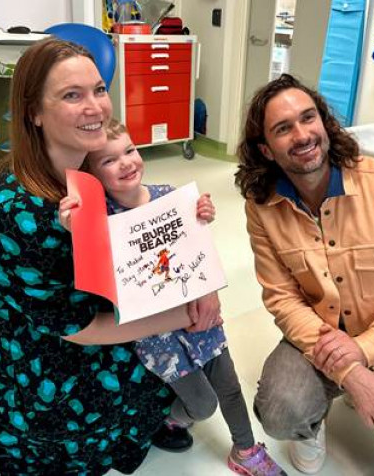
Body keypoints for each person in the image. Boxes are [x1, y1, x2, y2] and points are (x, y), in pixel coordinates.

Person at [0, 38, 220, 475]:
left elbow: (143, 234)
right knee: (127, 385)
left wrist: (200, 272)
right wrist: (184, 314)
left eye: (98, 89)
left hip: (76, 312)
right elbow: (80, 330)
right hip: (24, 357)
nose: (95, 106)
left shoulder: (85, 168)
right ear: (33, 113)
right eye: (71, 95)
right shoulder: (19, 213)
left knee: (153, 367)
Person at [235, 73, 374, 476]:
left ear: (325, 123)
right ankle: (310, 427)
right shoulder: (261, 206)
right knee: (280, 411)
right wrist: (350, 372)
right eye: (283, 128)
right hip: (317, 337)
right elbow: (282, 298)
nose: (302, 135)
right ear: (266, 150)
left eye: (309, 118)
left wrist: (364, 350)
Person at [58, 118, 286, 476]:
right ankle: (170, 420)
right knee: (203, 406)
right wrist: (76, 228)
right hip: (156, 337)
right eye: (109, 161)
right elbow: (91, 268)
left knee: (229, 387)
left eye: (130, 151)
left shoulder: (169, 196)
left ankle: (246, 451)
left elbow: (197, 249)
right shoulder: (102, 218)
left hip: (200, 317)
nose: (126, 162)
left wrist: (202, 218)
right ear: (93, 175)